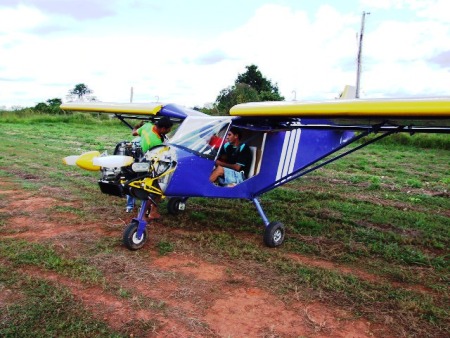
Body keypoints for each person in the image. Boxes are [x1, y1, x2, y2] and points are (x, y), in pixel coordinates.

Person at [126, 116, 173, 218]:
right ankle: (148, 211)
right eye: (168, 130)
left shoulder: (147, 126)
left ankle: (130, 206)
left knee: (132, 181)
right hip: (149, 162)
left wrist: (137, 127)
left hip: (138, 158)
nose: (168, 132)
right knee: (154, 187)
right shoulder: (157, 142)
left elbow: (134, 133)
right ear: (163, 128)